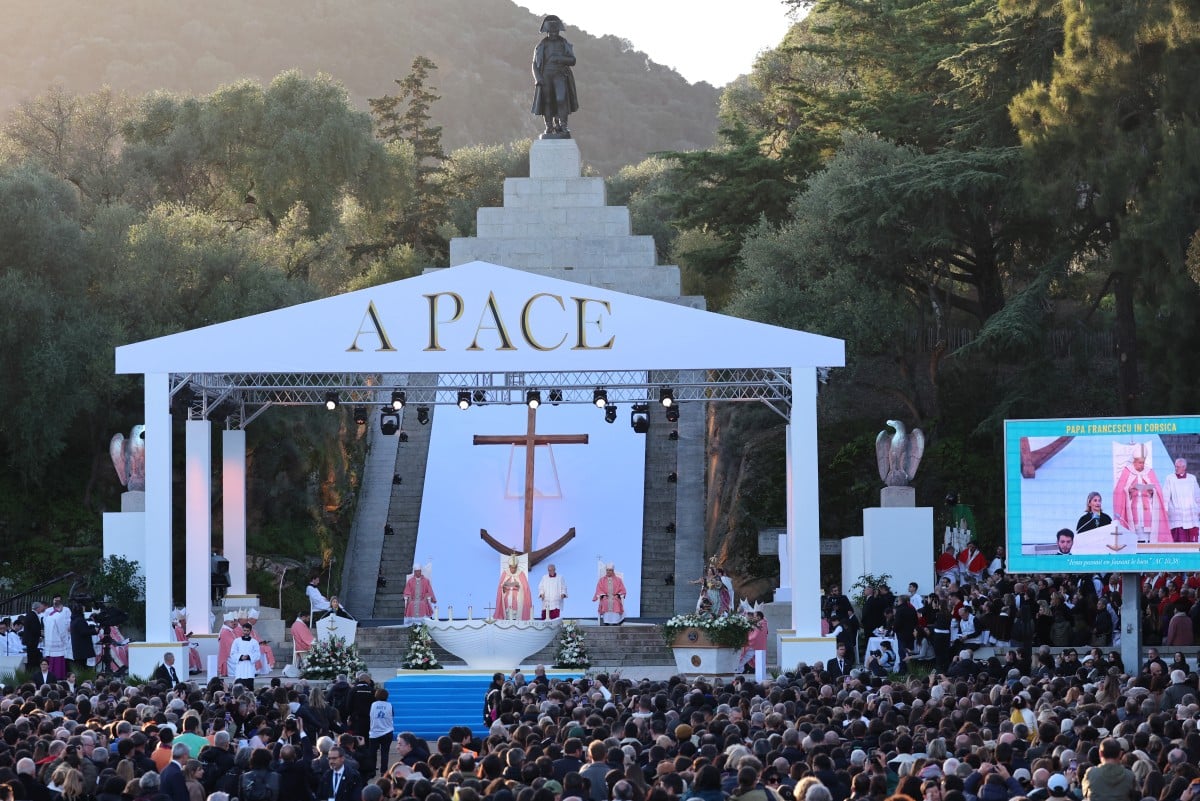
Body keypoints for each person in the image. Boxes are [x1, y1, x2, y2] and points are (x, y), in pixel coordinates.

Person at [531, 14, 578, 137]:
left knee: (561, 99)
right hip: (546, 75)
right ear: (547, 31)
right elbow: (534, 64)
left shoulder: (563, 43)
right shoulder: (541, 45)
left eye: (555, 31)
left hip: (560, 74)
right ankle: (549, 126)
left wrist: (559, 58)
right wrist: (538, 78)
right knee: (547, 101)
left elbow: (572, 60)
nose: (553, 34)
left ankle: (563, 125)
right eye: (551, 32)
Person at [1113, 444, 1169, 542]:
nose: (1142, 465)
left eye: (1143, 463)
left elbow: (1158, 490)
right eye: (1140, 463)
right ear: (1134, 461)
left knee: (1147, 531)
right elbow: (1118, 490)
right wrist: (1128, 489)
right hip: (1132, 506)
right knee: (1135, 529)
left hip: (1148, 506)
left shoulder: (1149, 471)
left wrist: (1153, 491)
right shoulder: (1127, 471)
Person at [1164, 457, 1200, 543]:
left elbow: (1197, 495)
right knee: (1178, 539)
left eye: (1178, 467)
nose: (1176, 468)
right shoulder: (1170, 478)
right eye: (1175, 466)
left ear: (1184, 467)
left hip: (1190, 513)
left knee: (1191, 540)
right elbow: (1165, 495)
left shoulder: (1192, 478)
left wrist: (1199, 508)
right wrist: (1165, 509)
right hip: (1177, 512)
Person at [496, 554, 533, 621]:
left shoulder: (521, 574)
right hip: (507, 598)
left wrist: (518, 586)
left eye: (515, 567)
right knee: (508, 614)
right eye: (512, 568)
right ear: (509, 566)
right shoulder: (505, 573)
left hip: (518, 599)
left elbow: (525, 588)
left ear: (517, 566)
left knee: (517, 615)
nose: (513, 569)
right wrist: (504, 587)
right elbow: (501, 586)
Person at [227, 623, 261, 689]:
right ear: (242, 630)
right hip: (240, 668)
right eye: (244, 630)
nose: (246, 632)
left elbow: (257, 654)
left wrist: (249, 657)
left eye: (247, 631)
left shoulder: (254, 642)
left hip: (250, 668)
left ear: (250, 631)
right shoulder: (236, 641)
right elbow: (232, 653)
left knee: (250, 687)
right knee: (238, 687)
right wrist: (240, 657)